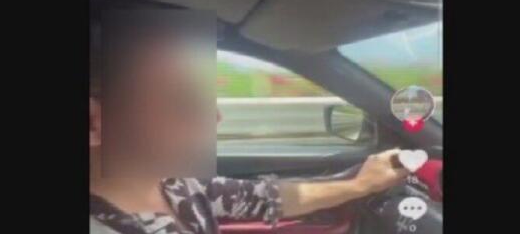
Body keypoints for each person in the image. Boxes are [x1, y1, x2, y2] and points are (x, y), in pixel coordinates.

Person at [90, 14, 409, 234]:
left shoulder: (176, 184)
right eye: (183, 101)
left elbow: (267, 197)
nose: (215, 117)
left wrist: (360, 185)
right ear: (94, 123)